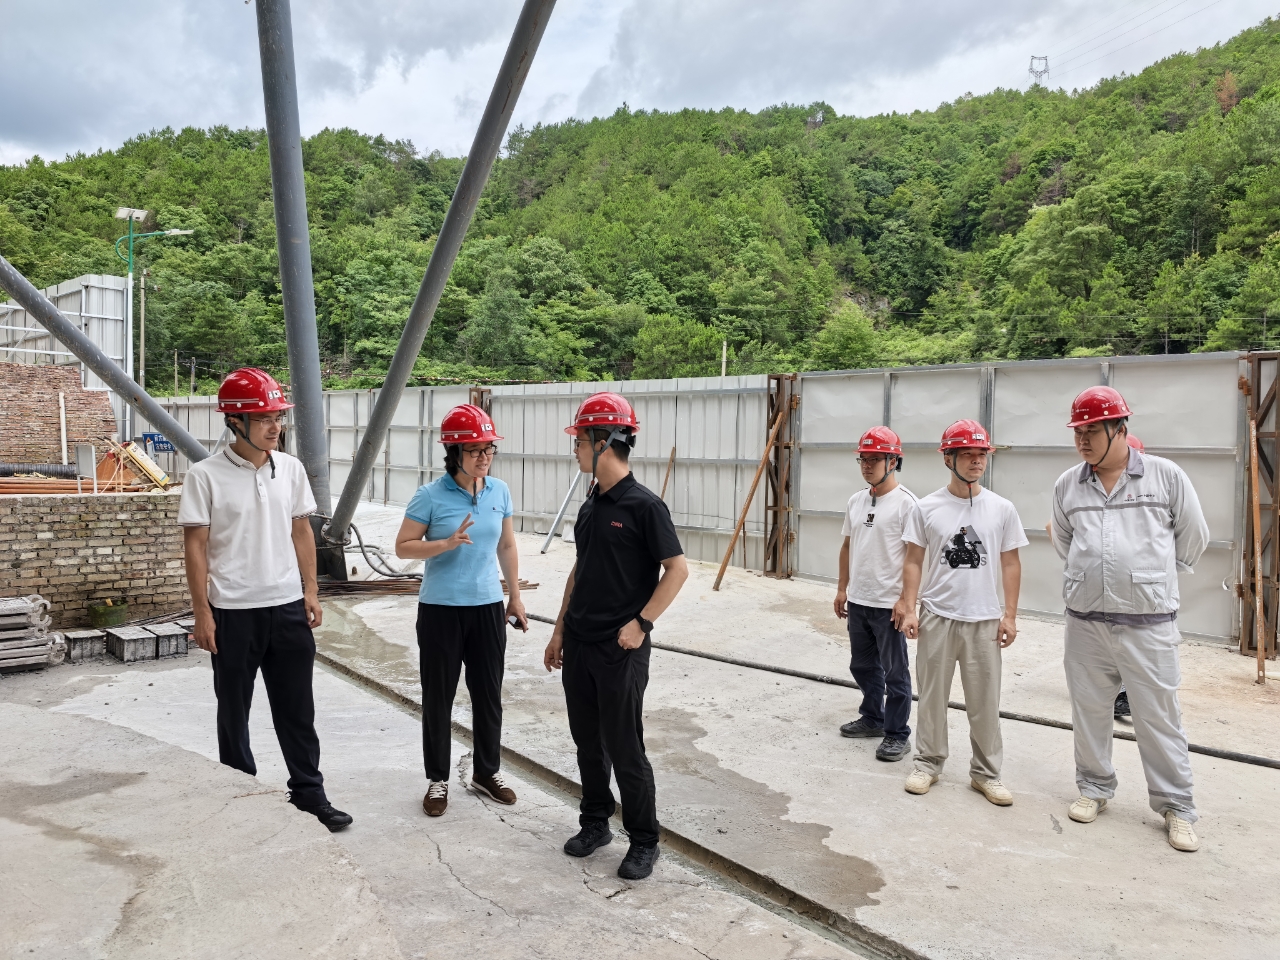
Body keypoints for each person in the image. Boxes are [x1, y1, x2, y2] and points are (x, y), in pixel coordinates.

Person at [179, 367, 352, 831]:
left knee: (298, 710)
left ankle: (310, 794)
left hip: (287, 608)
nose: (275, 426)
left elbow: (302, 531)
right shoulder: (204, 476)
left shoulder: (290, 470)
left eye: (278, 416)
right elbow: (195, 546)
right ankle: (240, 794)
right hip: (232, 613)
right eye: (264, 418)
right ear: (235, 422)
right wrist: (202, 613)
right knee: (234, 711)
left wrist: (310, 590)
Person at [1051, 387, 1208, 852]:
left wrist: (1150, 579)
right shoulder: (1068, 484)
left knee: (1159, 718)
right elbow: (1065, 542)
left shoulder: (1164, 476)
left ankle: (1176, 806)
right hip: (1086, 623)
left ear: (1120, 429)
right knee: (1090, 712)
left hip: (1148, 623)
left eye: (1092, 431)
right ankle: (1094, 787)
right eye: (1078, 432)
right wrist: (1093, 577)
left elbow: (1193, 537)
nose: (1082, 440)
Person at [543, 392, 688, 881]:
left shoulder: (645, 506)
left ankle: (644, 840)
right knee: (587, 742)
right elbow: (581, 569)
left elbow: (677, 570)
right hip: (581, 643)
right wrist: (560, 629)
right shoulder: (591, 504)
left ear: (604, 441)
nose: (576, 449)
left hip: (621, 648)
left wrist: (641, 623)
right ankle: (595, 823)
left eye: (580, 441)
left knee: (624, 747)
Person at [394, 404, 527, 817]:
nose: (484, 457)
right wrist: (445, 544)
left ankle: (486, 772)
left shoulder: (499, 491)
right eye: (475, 450)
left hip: (487, 607)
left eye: (489, 449)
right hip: (441, 610)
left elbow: (506, 545)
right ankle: (438, 779)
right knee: (439, 697)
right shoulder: (430, 496)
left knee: (488, 695)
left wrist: (515, 596)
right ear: (454, 453)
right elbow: (403, 547)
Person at [896, 419, 1028, 805]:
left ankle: (986, 774)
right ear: (948, 458)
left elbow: (1010, 563)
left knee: (985, 701)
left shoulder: (1002, 509)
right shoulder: (926, 507)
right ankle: (927, 763)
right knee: (932, 697)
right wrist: (909, 607)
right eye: (967, 454)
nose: (976, 461)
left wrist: (1010, 615)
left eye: (981, 454)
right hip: (937, 615)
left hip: (984, 619)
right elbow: (913, 561)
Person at [834, 426, 917, 762]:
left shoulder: (907, 504)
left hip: (888, 605)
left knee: (895, 673)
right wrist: (842, 588)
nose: (867, 465)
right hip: (859, 600)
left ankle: (897, 734)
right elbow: (847, 546)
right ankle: (873, 718)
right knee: (862, 665)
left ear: (893, 462)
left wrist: (906, 602)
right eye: (863, 459)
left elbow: (915, 557)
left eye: (874, 459)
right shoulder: (856, 500)